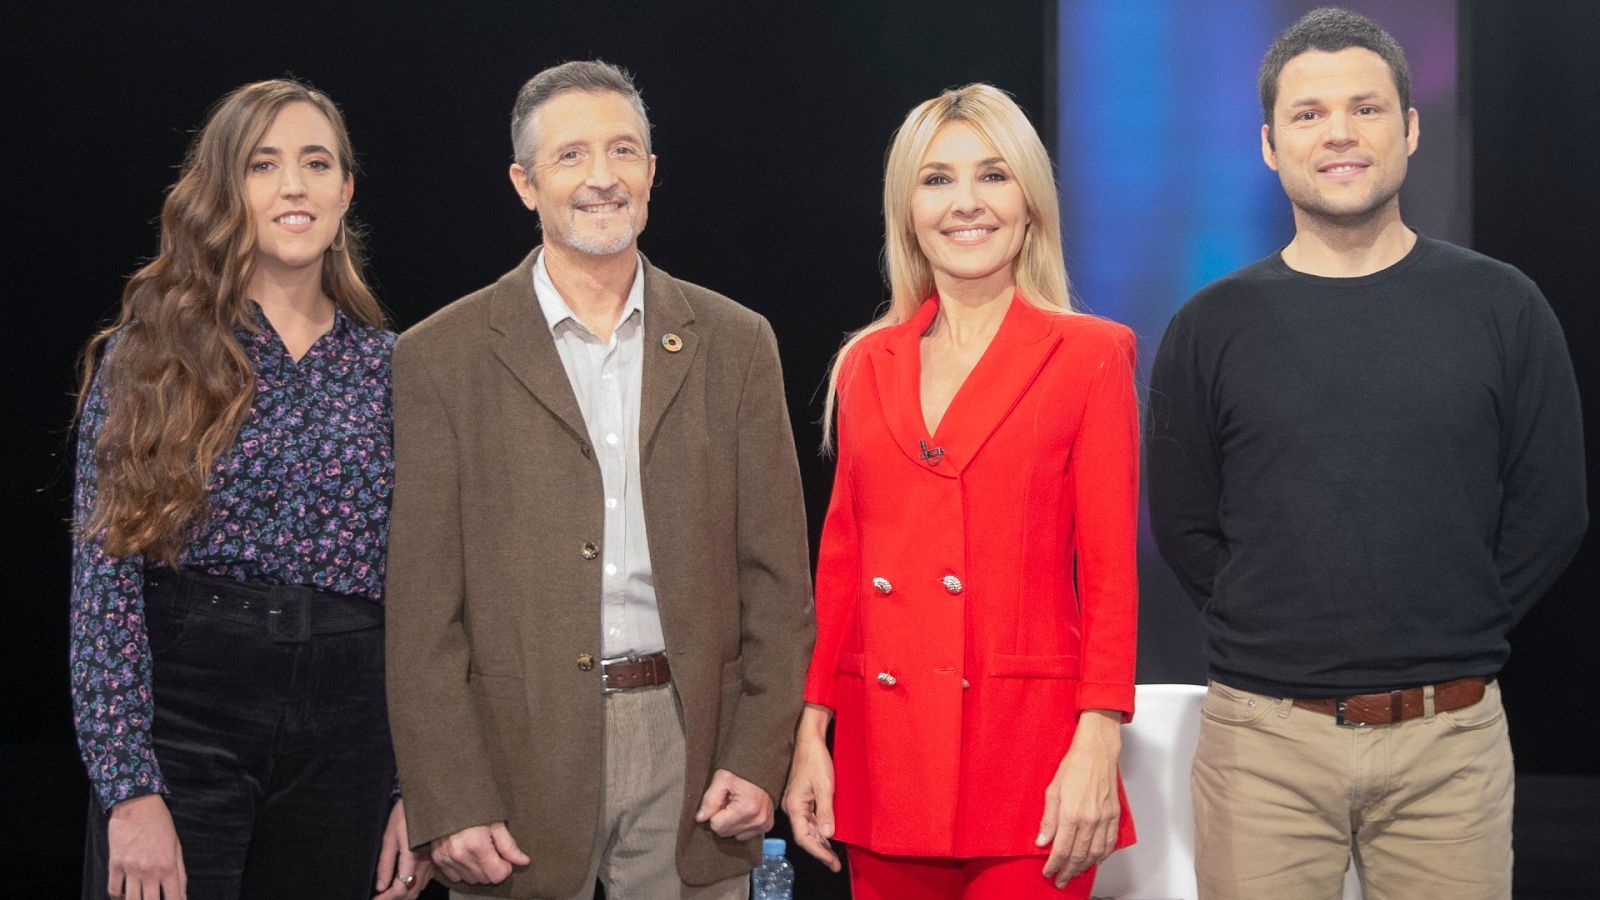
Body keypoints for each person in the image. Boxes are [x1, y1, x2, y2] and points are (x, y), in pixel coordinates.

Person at [1146, 8, 1587, 898]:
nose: (1338, 133)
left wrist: (1450, 623)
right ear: (1270, 144)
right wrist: (1277, 634)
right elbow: (1186, 522)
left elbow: (1552, 508)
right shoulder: (1209, 326)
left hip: (1449, 745)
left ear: (1411, 129)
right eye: (1308, 114)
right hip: (1262, 744)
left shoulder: (1504, 307)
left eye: (1366, 108)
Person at [383, 60, 814, 900]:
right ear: (525, 183)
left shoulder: (737, 343)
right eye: (573, 155)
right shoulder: (440, 356)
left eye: (624, 151)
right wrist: (451, 795)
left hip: (695, 757)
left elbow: (778, 584)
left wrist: (758, 755)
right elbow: (423, 611)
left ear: (652, 173)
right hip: (517, 758)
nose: (603, 177)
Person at [71, 79, 431, 900]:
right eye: (264, 165)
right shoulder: (151, 355)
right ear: (228, 190)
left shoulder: (398, 369)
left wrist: (419, 789)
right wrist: (129, 790)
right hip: (187, 720)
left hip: (352, 732)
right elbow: (104, 586)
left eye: (315, 163)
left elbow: (431, 593)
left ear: (346, 191)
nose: (293, 186)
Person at [783, 84, 1139, 900]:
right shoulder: (865, 364)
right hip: (887, 753)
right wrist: (812, 733)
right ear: (906, 208)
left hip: (1030, 757)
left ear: (1030, 203)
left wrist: (1099, 741)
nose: (966, 203)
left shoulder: (1090, 355)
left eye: (994, 175)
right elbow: (841, 567)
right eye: (937, 180)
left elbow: (1113, 575)